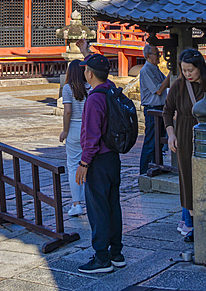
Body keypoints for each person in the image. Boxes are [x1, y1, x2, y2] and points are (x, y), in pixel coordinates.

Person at [163, 48, 206, 242]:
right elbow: (167, 111)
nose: (187, 74)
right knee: (188, 179)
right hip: (185, 137)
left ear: (200, 68)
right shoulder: (178, 86)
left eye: (190, 71)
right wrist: (171, 134)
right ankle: (195, 223)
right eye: (184, 70)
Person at [75, 53, 124, 273]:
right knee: (113, 205)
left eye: (86, 69)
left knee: (98, 208)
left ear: (90, 73)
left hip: (98, 159)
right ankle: (116, 252)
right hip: (113, 157)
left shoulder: (95, 98)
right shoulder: (111, 89)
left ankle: (102, 257)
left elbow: (92, 135)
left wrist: (84, 163)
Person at [59, 60, 89, 217]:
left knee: (72, 166)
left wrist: (65, 131)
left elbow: (68, 111)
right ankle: (90, 201)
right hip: (89, 128)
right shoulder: (90, 87)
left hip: (74, 128)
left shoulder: (67, 88)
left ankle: (76, 203)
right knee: (90, 163)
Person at [138, 43, 169, 176]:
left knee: (159, 141)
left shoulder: (155, 68)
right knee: (151, 141)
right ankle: (144, 171)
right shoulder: (146, 70)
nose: (159, 57)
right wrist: (171, 75)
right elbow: (158, 90)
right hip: (152, 109)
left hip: (160, 108)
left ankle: (157, 166)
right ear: (148, 56)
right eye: (157, 54)